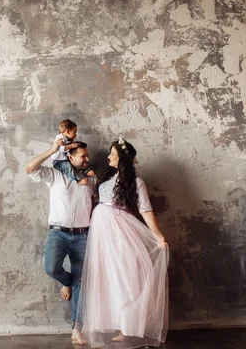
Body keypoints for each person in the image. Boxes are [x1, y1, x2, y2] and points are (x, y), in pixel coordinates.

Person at [76, 137, 169, 348]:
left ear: (122, 158)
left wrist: (157, 235)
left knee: (124, 274)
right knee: (106, 275)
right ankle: (115, 323)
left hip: (119, 229)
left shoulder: (135, 182)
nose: (108, 156)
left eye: (112, 153)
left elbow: (145, 209)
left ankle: (126, 325)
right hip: (101, 232)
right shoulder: (107, 178)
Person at [25, 139, 96, 345]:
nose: (87, 160)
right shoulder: (55, 175)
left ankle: (77, 328)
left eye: (87, 156)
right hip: (58, 233)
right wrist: (53, 150)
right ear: (70, 157)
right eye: (83, 156)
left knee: (81, 283)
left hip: (83, 235)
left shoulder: (91, 179)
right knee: (51, 268)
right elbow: (29, 168)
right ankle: (67, 281)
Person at [50, 119, 95, 184]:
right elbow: (61, 149)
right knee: (69, 167)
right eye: (75, 132)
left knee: (81, 163)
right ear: (68, 131)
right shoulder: (60, 138)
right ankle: (77, 180)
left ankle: (87, 171)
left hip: (65, 158)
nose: (76, 135)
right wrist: (71, 146)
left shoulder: (68, 139)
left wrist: (74, 145)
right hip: (59, 161)